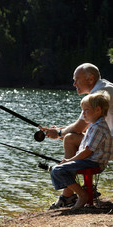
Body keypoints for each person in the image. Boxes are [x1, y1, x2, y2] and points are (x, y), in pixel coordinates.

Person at [41, 63, 113, 207]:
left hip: (108, 147)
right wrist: (59, 130)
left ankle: (69, 195)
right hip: (108, 141)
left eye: (76, 80)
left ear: (90, 78)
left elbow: (79, 127)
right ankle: (84, 189)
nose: (74, 84)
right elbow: (87, 125)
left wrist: (59, 133)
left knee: (70, 138)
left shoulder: (97, 96)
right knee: (72, 136)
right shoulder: (107, 87)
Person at [50, 92, 113, 209]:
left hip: (93, 162)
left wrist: (69, 160)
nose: (83, 114)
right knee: (58, 169)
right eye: (82, 110)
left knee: (57, 170)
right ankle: (82, 193)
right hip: (90, 161)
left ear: (98, 110)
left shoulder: (98, 128)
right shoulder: (95, 125)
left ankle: (82, 195)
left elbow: (87, 151)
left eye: (86, 110)